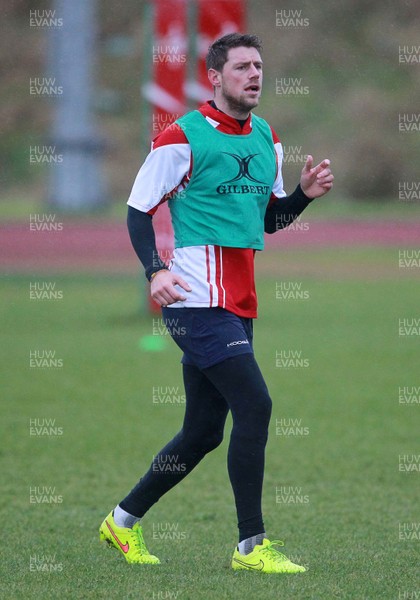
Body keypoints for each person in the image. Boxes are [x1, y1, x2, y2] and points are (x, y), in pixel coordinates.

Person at [99, 32, 333, 573]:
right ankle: (251, 546)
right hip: (195, 300)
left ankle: (121, 522)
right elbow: (137, 211)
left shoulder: (266, 136)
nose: (254, 75)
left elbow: (268, 221)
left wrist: (302, 196)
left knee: (203, 432)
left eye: (259, 66)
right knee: (256, 405)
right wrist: (155, 271)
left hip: (240, 301)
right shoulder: (182, 137)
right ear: (215, 76)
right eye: (242, 67)